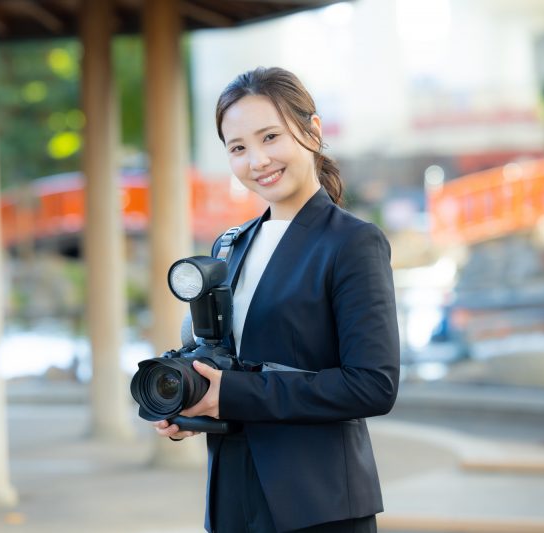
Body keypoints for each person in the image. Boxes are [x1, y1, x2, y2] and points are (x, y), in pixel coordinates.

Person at [154, 66, 400, 533]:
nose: (257, 160)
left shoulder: (352, 243)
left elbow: (373, 385)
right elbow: (227, 362)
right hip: (232, 499)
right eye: (238, 148)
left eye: (271, 137)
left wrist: (234, 395)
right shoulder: (230, 245)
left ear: (312, 130)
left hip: (319, 506)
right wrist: (192, 402)